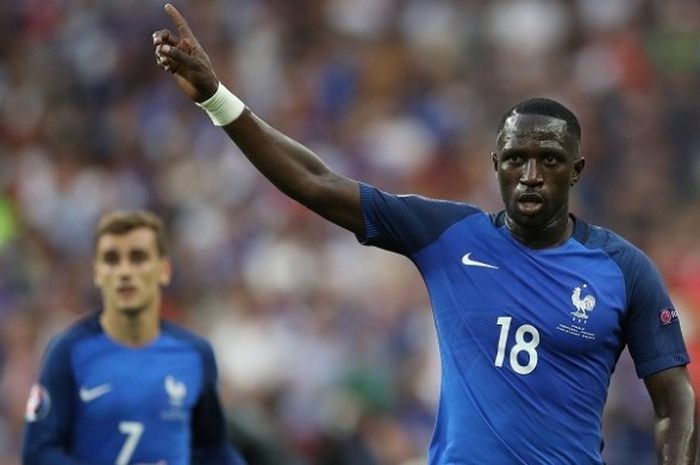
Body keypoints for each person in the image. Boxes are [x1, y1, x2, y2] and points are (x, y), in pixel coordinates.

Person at [152, 4, 698, 464]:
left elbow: (674, 401)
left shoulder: (622, 269)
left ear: (576, 170)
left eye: (549, 160)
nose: (530, 175)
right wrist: (215, 96)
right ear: (496, 165)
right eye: (516, 160)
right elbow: (316, 182)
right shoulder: (449, 235)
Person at [22, 210, 246, 465]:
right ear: (97, 273)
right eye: (112, 259)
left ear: (164, 270)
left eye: (137, 258)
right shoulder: (68, 352)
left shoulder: (195, 355)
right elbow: (38, 452)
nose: (124, 271)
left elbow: (212, 451)